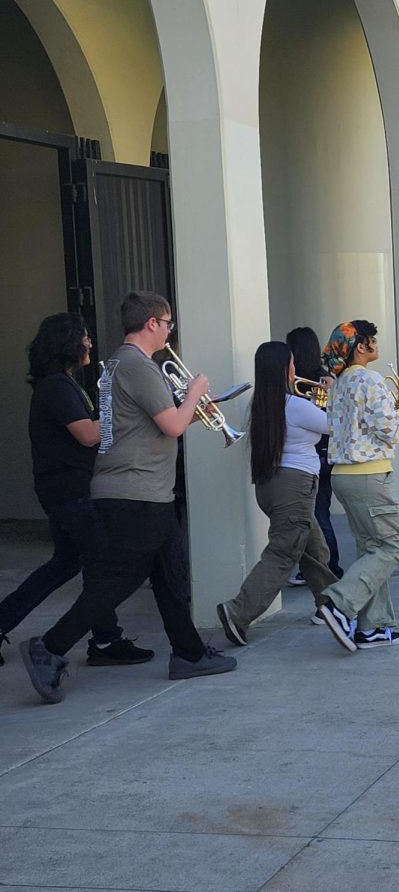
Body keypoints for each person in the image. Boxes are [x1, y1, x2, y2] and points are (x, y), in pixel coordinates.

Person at [20, 292, 235, 703]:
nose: (171, 329)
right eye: (168, 321)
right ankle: (48, 648)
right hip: (135, 492)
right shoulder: (138, 365)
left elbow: (138, 422)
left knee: (171, 574)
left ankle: (189, 654)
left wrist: (189, 404)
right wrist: (194, 393)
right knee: (115, 583)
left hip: (146, 489)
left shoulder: (118, 365)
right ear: (152, 323)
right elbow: (171, 425)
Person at [0, 314, 151, 669]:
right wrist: (123, 408)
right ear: (68, 344)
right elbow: (88, 434)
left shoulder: (63, 384)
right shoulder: (56, 386)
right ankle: (105, 639)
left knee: (66, 565)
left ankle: (102, 638)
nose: (89, 344)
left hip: (68, 490)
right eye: (84, 338)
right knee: (101, 566)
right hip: (71, 492)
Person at [216, 342, 339, 645]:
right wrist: (333, 393)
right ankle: (238, 612)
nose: (296, 370)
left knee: (314, 548)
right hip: (294, 487)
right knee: (283, 553)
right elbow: (335, 425)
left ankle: (333, 606)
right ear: (285, 369)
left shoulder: (261, 404)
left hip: (271, 485)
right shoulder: (296, 405)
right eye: (292, 364)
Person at [316, 320, 399, 649]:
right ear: (361, 346)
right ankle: (338, 602)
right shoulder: (370, 379)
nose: (376, 344)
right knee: (391, 547)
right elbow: (389, 430)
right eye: (372, 339)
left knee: (370, 549)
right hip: (368, 473)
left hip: (344, 475)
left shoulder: (340, 382)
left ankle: (371, 627)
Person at [285, 326, 342, 581]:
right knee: (318, 515)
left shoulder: (303, 384)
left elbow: (325, 420)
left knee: (318, 516)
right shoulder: (325, 378)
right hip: (325, 454)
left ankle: (331, 568)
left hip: (316, 456)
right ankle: (315, 568)